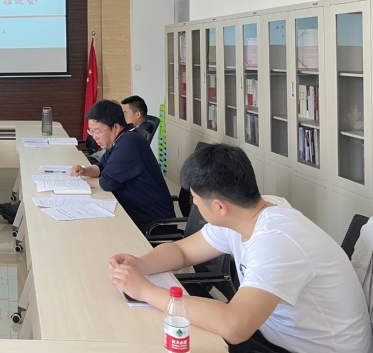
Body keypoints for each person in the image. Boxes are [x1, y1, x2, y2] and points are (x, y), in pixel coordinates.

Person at [109, 144, 373, 353]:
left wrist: (145, 291)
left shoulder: (278, 240)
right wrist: (140, 265)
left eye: (196, 200)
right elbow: (183, 252)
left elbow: (234, 326)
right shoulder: (247, 212)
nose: (195, 205)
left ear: (219, 206)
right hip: (271, 334)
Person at [69, 99, 174, 232]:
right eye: (92, 132)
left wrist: (104, 173)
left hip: (151, 223)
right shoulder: (119, 139)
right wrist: (84, 171)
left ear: (116, 127)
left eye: (98, 131)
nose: (95, 137)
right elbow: (100, 167)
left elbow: (107, 183)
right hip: (133, 212)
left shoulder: (129, 142)